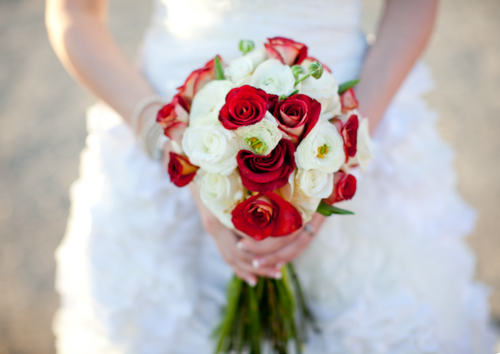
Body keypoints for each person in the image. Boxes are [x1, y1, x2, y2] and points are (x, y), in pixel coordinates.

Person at [46, 0, 497, 353]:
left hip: (350, 112)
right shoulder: (169, 139)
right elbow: (74, 12)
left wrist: (344, 147)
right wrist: (172, 143)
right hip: (162, 116)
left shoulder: (345, 139)